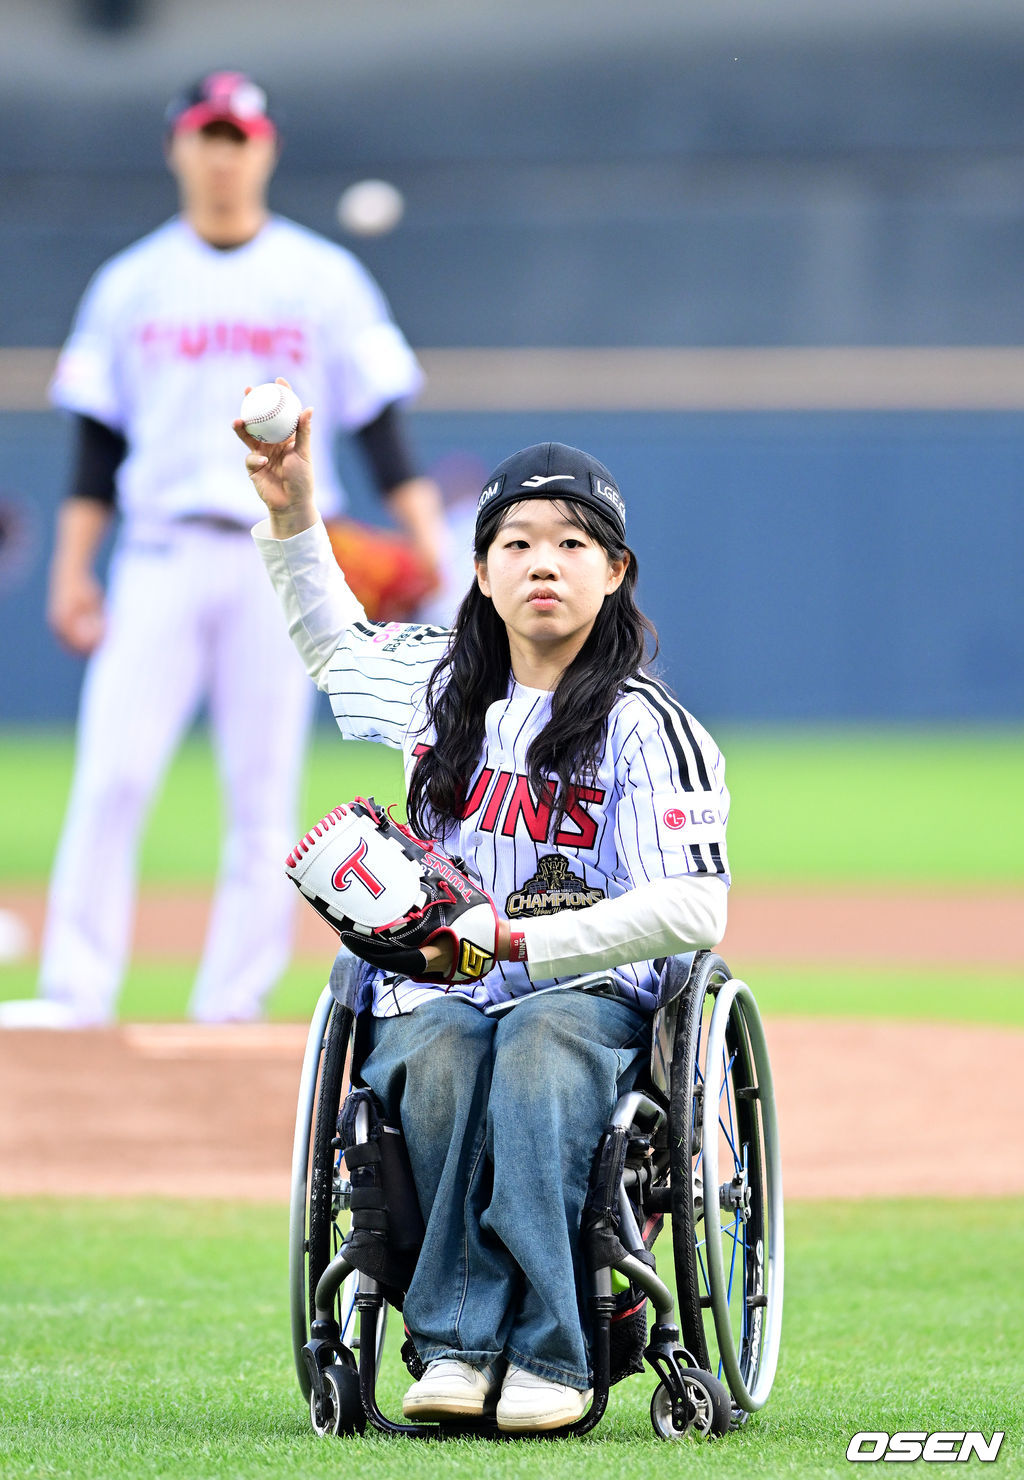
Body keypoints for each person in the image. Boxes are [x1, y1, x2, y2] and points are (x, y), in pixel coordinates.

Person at [239, 407, 731, 1431]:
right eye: (516, 543)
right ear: (480, 570)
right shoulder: (437, 684)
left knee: (536, 1050)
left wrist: (521, 943)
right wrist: (291, 513)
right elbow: (330, 643)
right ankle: (456, 1349)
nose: (542, 563)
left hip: (586, 998)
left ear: (615, 573)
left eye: (572, 544)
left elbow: (696, 902)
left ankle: (553, 1351)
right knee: (444, 1053)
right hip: (436, 991)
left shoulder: (649, 728)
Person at [7, 72, 445, 1029]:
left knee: (263, 791)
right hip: (161, 551)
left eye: (237, 137)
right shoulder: (129, 284)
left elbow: (381, 428)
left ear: (265, 147)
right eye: (207, 135)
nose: (222, 154)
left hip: (282, 561)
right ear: (178, 147)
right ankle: (76, 990)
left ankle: (233, 1001)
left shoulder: (324, 277)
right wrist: (75, 568)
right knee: (113, 776)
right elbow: (96, 446)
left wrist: (423, 538)